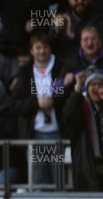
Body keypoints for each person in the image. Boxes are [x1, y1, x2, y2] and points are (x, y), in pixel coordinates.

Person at [12, 32, 66, 185]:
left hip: (59, 134)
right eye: (38, 47)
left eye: (45, 47)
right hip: (34, 135)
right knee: (39, 183)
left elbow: (70, 98)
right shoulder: (24, 73)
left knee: (60, 182)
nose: (42, 51)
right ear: (31, 51)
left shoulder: (61, 68)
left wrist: (54, 100)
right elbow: (14, 104)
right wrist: (37, 103)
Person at [63, 69, 103, 190]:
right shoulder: (82, 107)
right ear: (87, 88)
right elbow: (69, 116)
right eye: (93, 85)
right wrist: (78, 88)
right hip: (90, 170)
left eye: (100, 85)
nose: (97, 88)